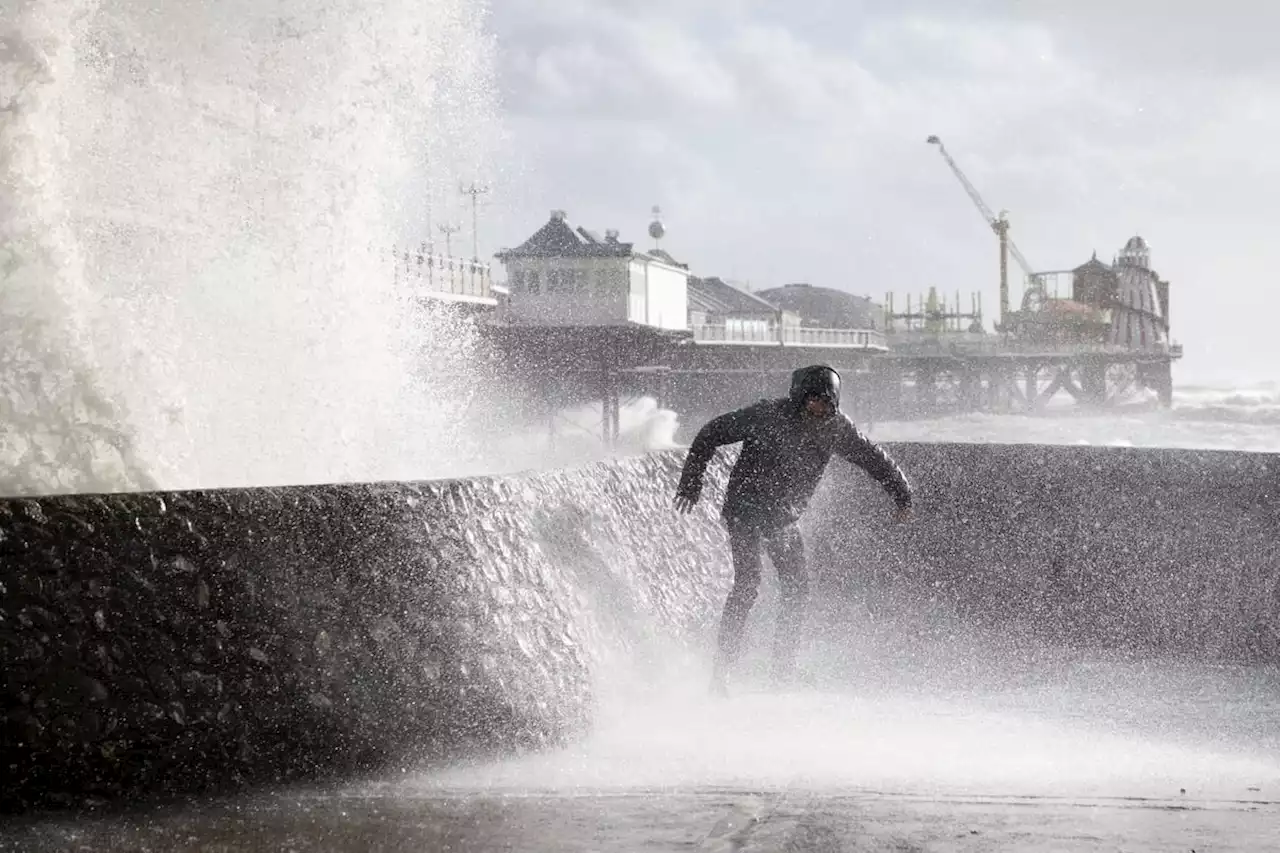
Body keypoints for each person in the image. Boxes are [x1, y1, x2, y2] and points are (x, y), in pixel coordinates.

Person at [673, 364, 914, 695]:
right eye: (812, 402)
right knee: (748, 587)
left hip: (782, 519)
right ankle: (721, 675)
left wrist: (901, 493)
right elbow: (709, 433)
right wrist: (691, 482)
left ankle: (781, 673)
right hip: (745, 512)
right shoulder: (766, 415)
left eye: (826, 404)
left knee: (797, 590)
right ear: (799, 397)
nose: (818, 410)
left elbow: (873, 458)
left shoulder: (836, 429)